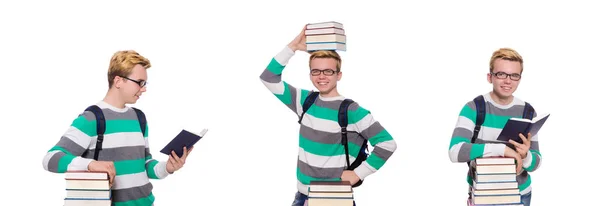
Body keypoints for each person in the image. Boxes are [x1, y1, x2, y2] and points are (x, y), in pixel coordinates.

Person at [259, 25, 397, 206]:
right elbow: (268, 77)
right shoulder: (304, 101)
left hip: (335, 198)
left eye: (328, 71)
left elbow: (387, 144)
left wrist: (358, 174)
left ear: (338, 75)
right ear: (310, 74)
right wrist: (292, 47)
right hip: (302, 197)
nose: (321, 76)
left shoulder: (352, 111)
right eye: (316, 71)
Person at [42, 50, 192, 206]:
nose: (144, 88)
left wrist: (167, 167)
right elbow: (50, 159)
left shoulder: (139, 118)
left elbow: (145, 165)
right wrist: (90, 164)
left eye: (145, 83)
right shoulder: (91, 118)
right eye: (140, 82)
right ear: (118, 81)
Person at [448, 48, 542, 206]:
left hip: (520, 194)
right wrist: (503, 150)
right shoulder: (473, 108)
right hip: (483, 195)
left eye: (514, 76)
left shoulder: (528, 112)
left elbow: (536, 162)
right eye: (501, 74)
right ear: (490, 77)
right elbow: (455, 151)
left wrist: (526, 156)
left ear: (520, 78)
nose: (508, 81)